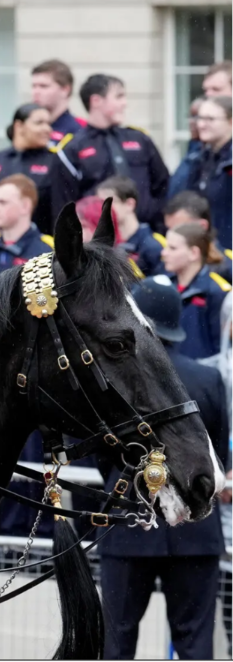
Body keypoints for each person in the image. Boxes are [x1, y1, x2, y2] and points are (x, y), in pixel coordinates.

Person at [100, 278, 229, 661]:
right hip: (196, 528)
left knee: (117, 641)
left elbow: (100, 453)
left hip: (129, 522)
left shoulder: (113, 380)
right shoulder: (208, 378)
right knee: (194, 643)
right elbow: (216, 454)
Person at [50, 73, 170, 231]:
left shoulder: (140, 139)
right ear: (96, 101)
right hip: (100, 240)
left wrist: (158, 225)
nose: (124, 103)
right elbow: (64, 205)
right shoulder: (72, 148)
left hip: (144, 236)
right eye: (119, 97)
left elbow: (163, 185)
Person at [0, 103, 56, 233]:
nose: (47, 129)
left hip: (43, 247)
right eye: (39, 123)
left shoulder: (56, 161)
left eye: (49, 123)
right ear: (19, 126)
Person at [162, 222, 230, 359]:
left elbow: (220, 347)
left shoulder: (217, 292)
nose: (164, 253)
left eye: (172, 248)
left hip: (201, 374)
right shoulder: (163, 285)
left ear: (194, 253)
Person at [181, 95, 231, 249]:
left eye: (210, 119)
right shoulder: (201, 157)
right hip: (212, 250)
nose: (201, 125)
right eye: (199, 118)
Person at [95, 175, 164, 277]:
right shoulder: (104, 242)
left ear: (129, 204)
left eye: (107, 203)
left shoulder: (152, 245)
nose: (100, 209)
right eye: (97, 204)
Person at [163, 191, 232, 280]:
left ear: (202, 226)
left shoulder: (225, 269)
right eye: (169, 229)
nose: (171, 235)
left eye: (180, 229)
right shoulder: (167, 260)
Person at [30, 58, 86, 145]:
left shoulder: (79, 131)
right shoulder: (29, 129)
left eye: (43, 86)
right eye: (34, 86)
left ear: (65, 90)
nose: (36, 92)